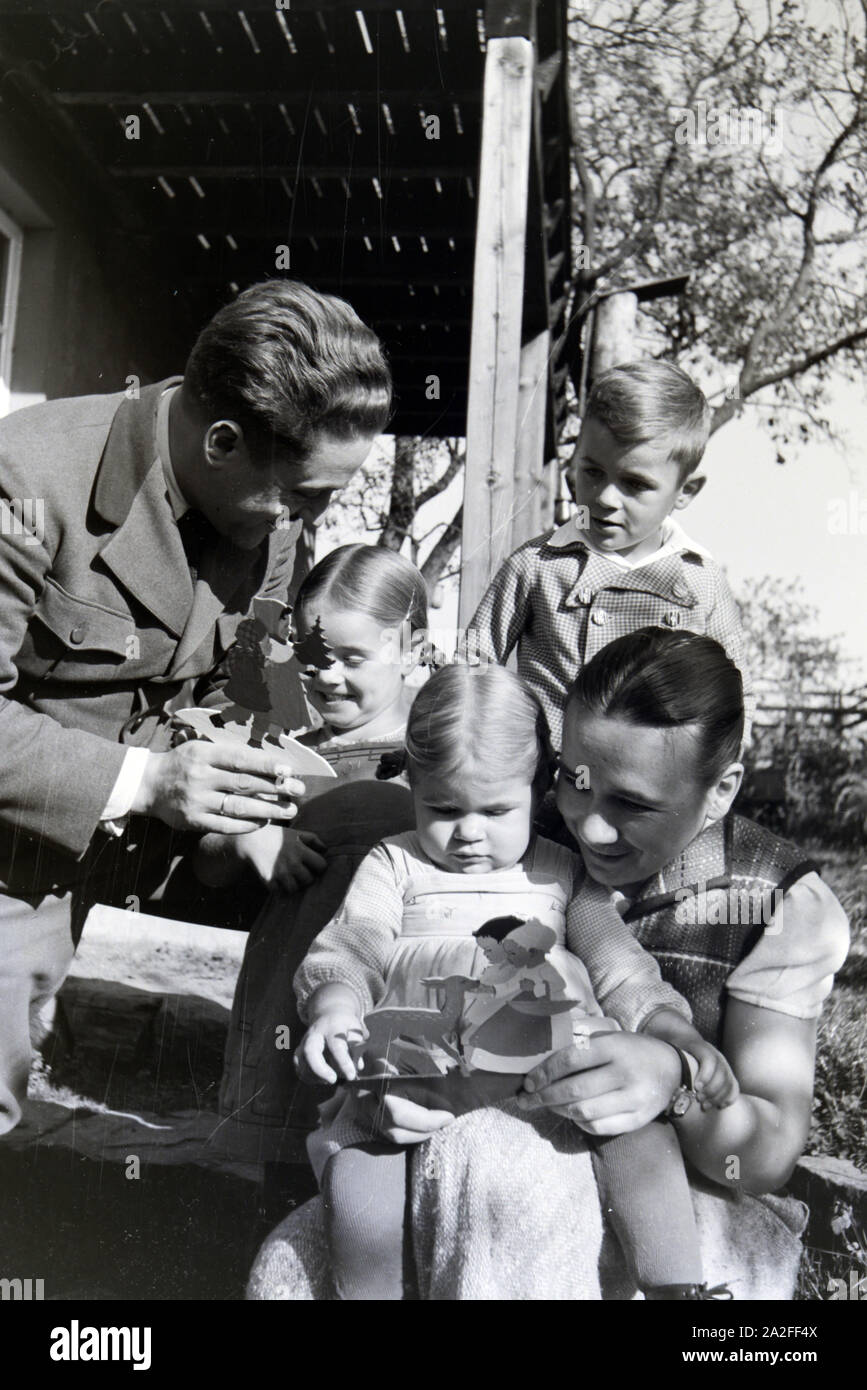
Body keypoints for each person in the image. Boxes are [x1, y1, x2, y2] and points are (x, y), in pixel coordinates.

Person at [248, 632, 849, 1301]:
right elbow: (358, 937)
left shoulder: (769, 900)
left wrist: (671, 1068)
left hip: (647, 1166)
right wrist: (357, 1030)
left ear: (720, 790)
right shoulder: (468, 845)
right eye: (574, 782)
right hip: (436, 1104)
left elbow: (757, 1149)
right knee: (290, 1272)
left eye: (633, 804)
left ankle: (681, 1289)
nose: (589, 828)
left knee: (501, 1166)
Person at [0, 281, 390, 1136]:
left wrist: (258, 798)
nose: (316, 518)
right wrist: (148, 780)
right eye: (307, 495)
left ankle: (289, 1155)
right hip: (17, 853)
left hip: (159, 846)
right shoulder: (25, 482)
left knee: (371, 833)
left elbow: (255, 677)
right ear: (222, 442)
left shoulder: (272, 518)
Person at [207, 544, 429, 1177]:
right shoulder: (279, 743)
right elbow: (207, 863)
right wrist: (250, 839)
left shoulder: (434, 747)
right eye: (311, 655)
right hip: (284, 989)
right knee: (275, 1166)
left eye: (352, 658)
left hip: (398, 979)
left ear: (408, 645)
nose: (327, 676)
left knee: (384, 1153)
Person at [463, 359, 752, 750]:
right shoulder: (538, 564)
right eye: (592, 472)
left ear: (685, 491)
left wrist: (708, 782)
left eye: (634, 483)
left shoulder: (700, 582)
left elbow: (736, 697)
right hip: (544, 780)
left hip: (651, 789)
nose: (604, 498)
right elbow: (471, 667)